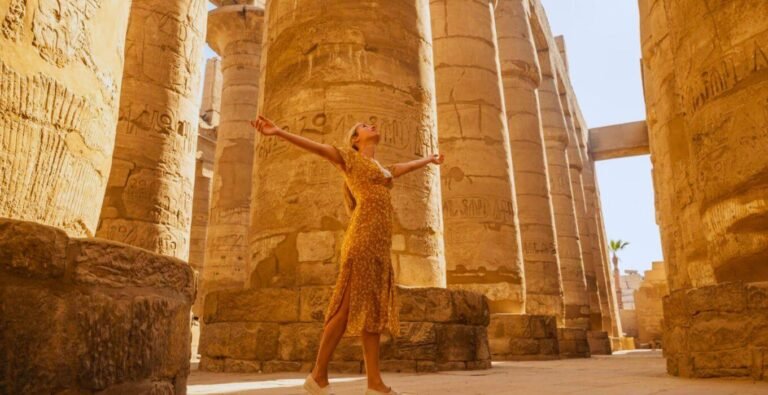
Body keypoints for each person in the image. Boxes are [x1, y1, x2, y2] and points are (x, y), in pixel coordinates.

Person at [250, 115, 444, 395]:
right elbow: (316, 147)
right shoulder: (348, 160)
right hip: (362, 240)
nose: (372, 125)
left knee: (373, 312)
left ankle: (375, 384)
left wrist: (428, 159)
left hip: (379, 246)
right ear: (355, 139)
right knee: (345, 308)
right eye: (364, 126)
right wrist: (278, 132)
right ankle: (318, 374)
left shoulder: (380, 169)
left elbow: (400, 168)